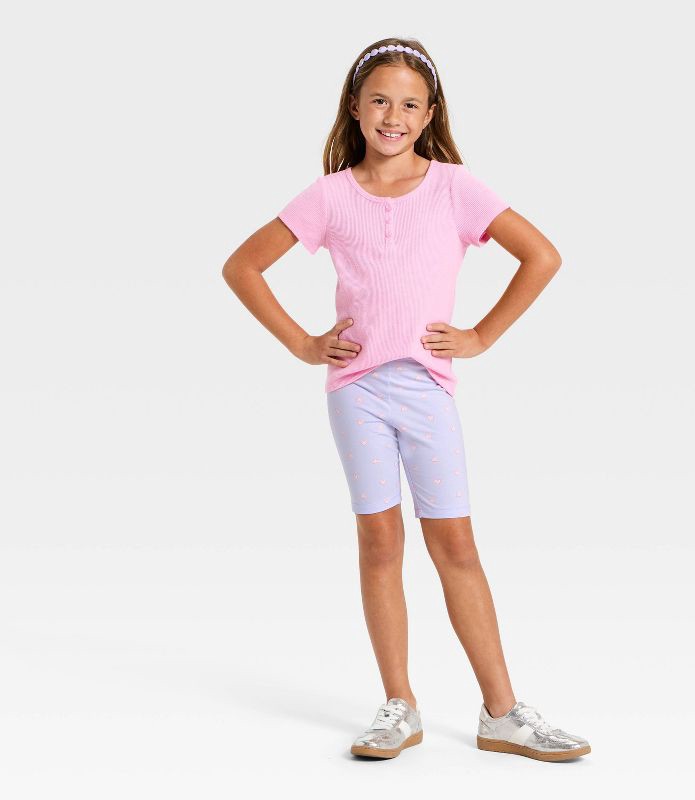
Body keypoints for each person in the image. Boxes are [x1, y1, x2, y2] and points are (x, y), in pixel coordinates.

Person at [222, 37, 590, 763]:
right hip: (356, 391)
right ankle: (399, 705)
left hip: (427, 390)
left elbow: (542, 255)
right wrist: (303, 344)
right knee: (380, 541)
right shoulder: (329, 196)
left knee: (454, 542)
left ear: (429, 114)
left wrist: (481, 335)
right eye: (381, 101)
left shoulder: (455, 188)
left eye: (410, 104)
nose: (394, 116)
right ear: (356, 108)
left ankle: (502, 712)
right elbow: (243, 266)